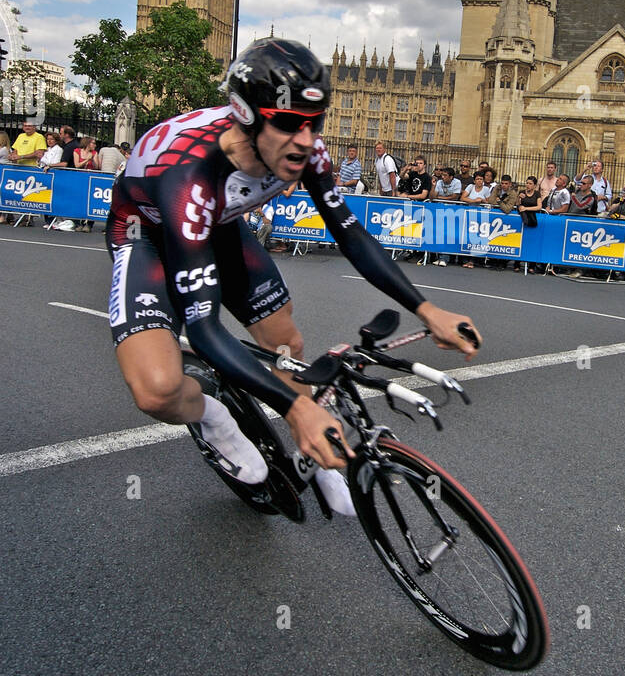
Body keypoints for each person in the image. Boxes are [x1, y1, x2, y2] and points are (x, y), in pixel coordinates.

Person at [105, 38, 481, 515]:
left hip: (219, 225)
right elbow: (203, 328)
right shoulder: (191, 175)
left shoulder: (304, 148)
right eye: (286, 123)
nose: (305, 139)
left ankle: (317, 459)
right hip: (147, 234)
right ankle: (214, 417)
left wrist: (427, 309)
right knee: (156, 391)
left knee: (286, 344)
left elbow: (350, 235)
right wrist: (297, 408)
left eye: (314, 122)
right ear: (246, 118)